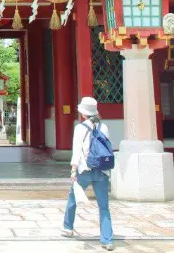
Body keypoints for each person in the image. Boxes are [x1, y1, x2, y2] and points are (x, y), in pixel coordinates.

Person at [61, 97, 114, 251]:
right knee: (104, 206)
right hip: (102, 171)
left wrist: (73, 169)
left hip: (84, 170)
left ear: (83, 113)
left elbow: (77, 151)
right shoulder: (104, 127)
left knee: (73, 198)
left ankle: (68, 227)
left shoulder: (80, 128)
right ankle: (107, 240)